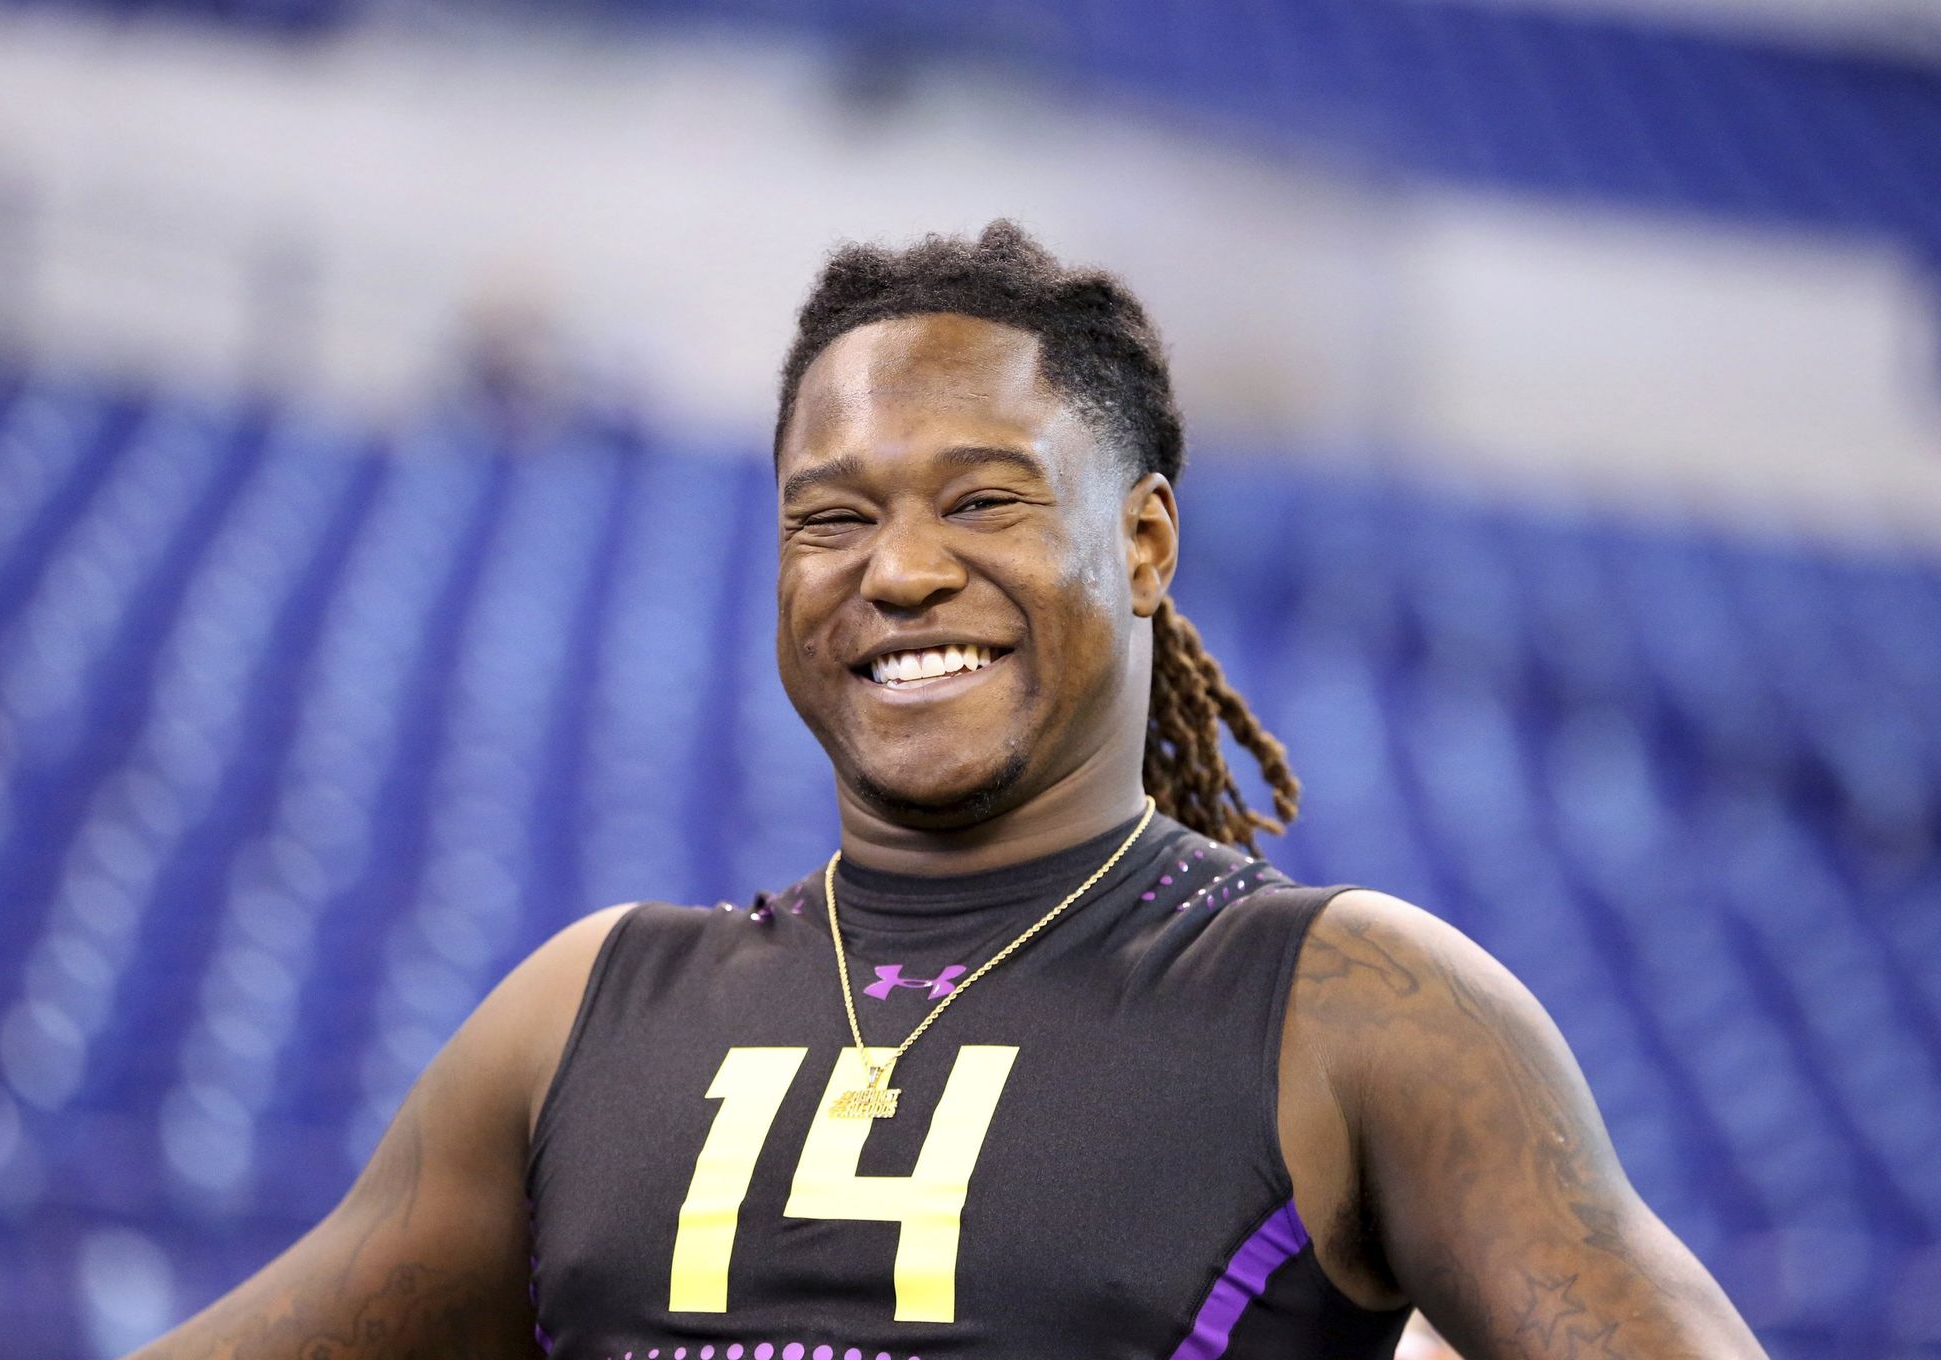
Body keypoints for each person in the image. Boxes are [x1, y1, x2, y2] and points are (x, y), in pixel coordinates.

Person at [128, 222, 1767, 1359]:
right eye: (828, 519)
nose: (898, 573)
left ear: (1142, 543)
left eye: (981, 502)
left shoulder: (1359, 1010)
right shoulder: (581, 1014)